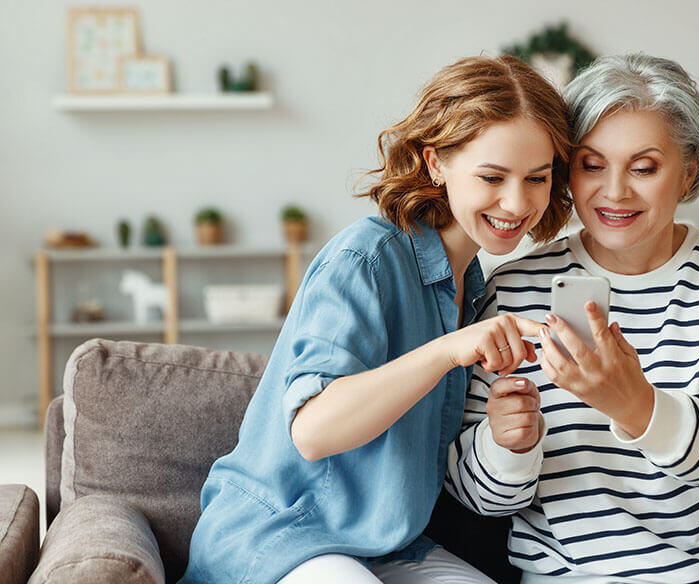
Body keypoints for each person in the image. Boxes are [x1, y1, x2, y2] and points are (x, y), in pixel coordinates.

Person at [446, 53, 699, 584]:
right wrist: (506, 446)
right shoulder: (514, 288)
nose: (614, 192)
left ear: (689, 172)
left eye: (643, 168)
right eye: (592, 164)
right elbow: (478, 496)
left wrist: (634, 404)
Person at [178, 55, 574, 584]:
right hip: (281, 539)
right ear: (436, 163)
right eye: (492, 176)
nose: (517, 201)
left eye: (537, 178)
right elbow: (314, 431)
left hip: (391, 547)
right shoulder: (366, 258)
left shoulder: (477, 287)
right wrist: (449, 349)